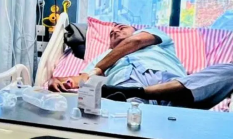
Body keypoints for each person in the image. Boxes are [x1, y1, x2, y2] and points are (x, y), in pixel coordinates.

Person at [50, 23, 233, 109]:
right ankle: (138, 96)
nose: (115, 30)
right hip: (126, 87)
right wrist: (59, 81)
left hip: (174, 87)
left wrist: (99, 69)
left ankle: (139, 94)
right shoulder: (102, 57)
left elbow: (135, 41)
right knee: (132, 109)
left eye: (121, 27)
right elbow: (82, 79)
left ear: (137, 30)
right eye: (111, 33)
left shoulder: (157, 39)